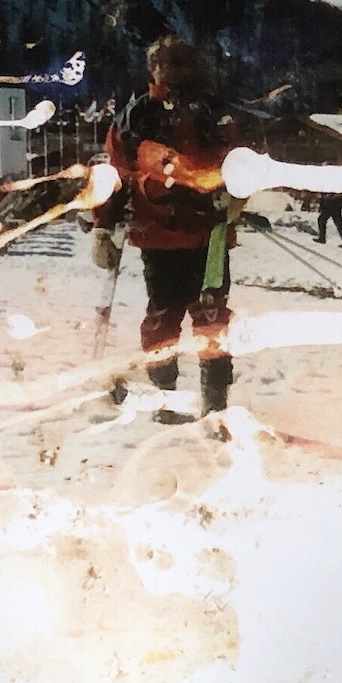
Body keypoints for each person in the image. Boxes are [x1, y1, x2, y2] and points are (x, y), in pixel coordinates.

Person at [90, 35, 238, 420]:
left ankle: (215, 402)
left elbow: (238, 160)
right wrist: (104, 225)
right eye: (164, 63)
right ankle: (165, 398)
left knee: (212, 319)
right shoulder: (136, 117)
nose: (172, 70)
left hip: (209, 235)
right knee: (162, 320)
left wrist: (237, 195)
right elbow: (118, 173)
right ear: (151, 68)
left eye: (179, 62)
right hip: (158, 235)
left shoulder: (213, 111)